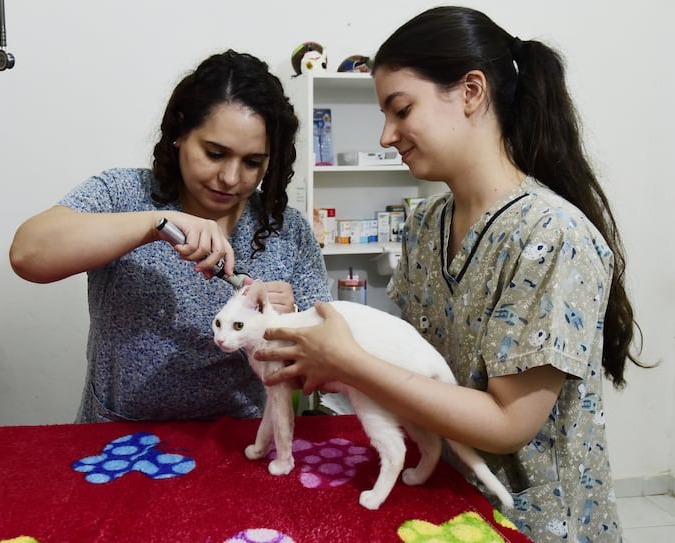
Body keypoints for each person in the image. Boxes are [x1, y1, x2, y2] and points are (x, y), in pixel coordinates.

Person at [255, 7, 644, 542]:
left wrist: (350, 360)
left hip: (533, 524)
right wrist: (321, 357)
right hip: (447, 504)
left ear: (470, 92)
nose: (387, 134)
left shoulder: (551, 235)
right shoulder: (424, 224)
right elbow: (417, 369)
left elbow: (508, 426)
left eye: (400, 109)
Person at [9, 50, 330, 424]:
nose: (230, 177)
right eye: (214, 153)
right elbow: (28, 254)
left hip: (235, 444)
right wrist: (152, 225)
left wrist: (288, 326)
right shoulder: (124, 195)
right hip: (116, 441)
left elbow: (319, 373)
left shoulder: (286, 230)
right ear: (179, 132)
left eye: (252, 162)